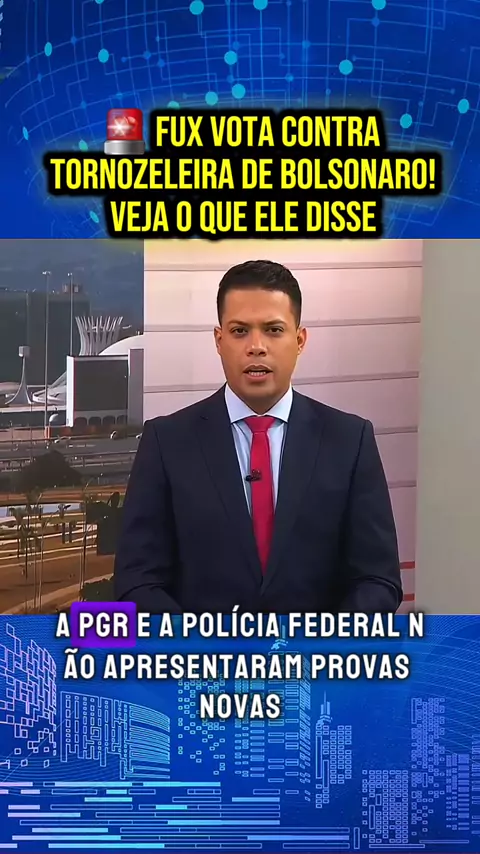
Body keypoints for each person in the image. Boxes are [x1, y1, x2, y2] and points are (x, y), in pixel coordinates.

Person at [114, 260, 402, 614]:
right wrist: (198, 642)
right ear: (219, 340)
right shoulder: (166, 442)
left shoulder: (350, 441)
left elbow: (377, 580)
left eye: (273, 330)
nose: (256, 347)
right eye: (239, 331)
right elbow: (137, 581)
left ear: (300, 340)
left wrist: (324, 641)